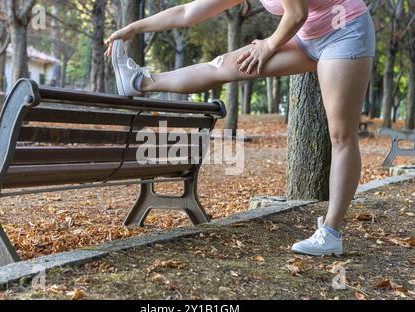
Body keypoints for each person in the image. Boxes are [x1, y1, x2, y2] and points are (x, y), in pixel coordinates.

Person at [105, 0, 376, 256]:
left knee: (341, 135)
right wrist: (134, 28)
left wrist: (268, 45)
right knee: (222, 65)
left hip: (345, 31)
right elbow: (188, 12)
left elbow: (296, 14)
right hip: (305, 38)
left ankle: (331, 233)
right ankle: (140, 81)